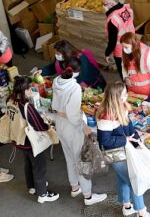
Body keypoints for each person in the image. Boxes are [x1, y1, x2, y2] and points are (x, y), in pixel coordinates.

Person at [96, 82, 150, 217]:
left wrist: (137, 143)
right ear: (116, 97)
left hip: (125, 150)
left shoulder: (122, 107)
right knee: (135, 180)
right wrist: (126, 140)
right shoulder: (105, 116)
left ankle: (127, 206)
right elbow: (104, 141)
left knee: (123, 179)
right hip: (115, 154)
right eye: (123, 94)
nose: (126, 96)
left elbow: (128, 126)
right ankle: (142, 213)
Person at [52, 63, 107, 205]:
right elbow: (73, 114)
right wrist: (84, 127)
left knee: (69, 158)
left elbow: (57, 109)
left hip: (60, 125)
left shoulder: (57, 81)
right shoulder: (74, 88)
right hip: (73, 128)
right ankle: (88, 196)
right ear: (76, 72)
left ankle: (75, 187)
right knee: (82, 161)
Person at [10, 75, 60, 203]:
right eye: (30, 88)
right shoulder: (26, 106)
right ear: (25, 90)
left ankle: (32, 186)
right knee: (39, 166)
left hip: (18, 139)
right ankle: (42, 194)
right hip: (30, 142)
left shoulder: (11, 101)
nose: (31, 91)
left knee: (28, 163)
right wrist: (49, 125)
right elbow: (38, 125)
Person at [41, 40, 106, 89]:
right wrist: (41, 72)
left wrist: (62, 83)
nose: (56, 55)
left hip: (91, 85)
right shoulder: (60, 58)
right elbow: (53, 67)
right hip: (73, 85)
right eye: (56, 52)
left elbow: (81, 77)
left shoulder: (81, 59)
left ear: (66, 53)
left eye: (58, 53)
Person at [103, 0, 135, 80]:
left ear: (112, 4)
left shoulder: (113, 19)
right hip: (132, 44)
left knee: (124, 73)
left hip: (121, 50)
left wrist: (107, 53)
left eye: (105, 4)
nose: (103, 6)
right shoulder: (127, 8)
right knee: (133, 68)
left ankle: (128, 89)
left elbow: (112, 41)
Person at [120, 32, 150, 100]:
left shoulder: (147, 54)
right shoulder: (126, 52)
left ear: (134, 44)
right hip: (132, 92)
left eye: (126, 47)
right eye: (123, 47)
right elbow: (124, 67)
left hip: (146, 93)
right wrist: (126, 78)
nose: (124, 49)